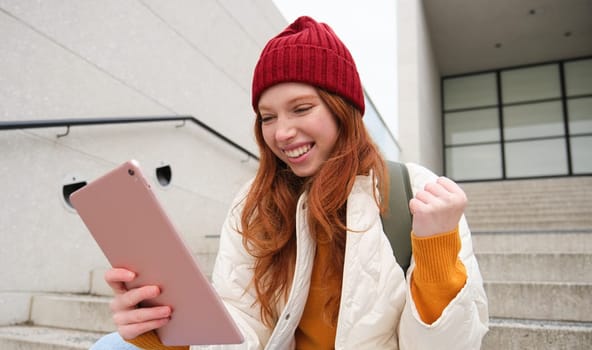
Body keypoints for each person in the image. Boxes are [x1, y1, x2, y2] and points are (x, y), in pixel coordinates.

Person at [91, 16, 488, 350]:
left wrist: (436, 249)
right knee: (112, 345)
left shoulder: (418, 191)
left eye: (301, 108)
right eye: (267, 117)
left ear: (342, 110)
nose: (281, 133)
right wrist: (166, 331)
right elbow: (243, 322)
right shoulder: (255, 203)